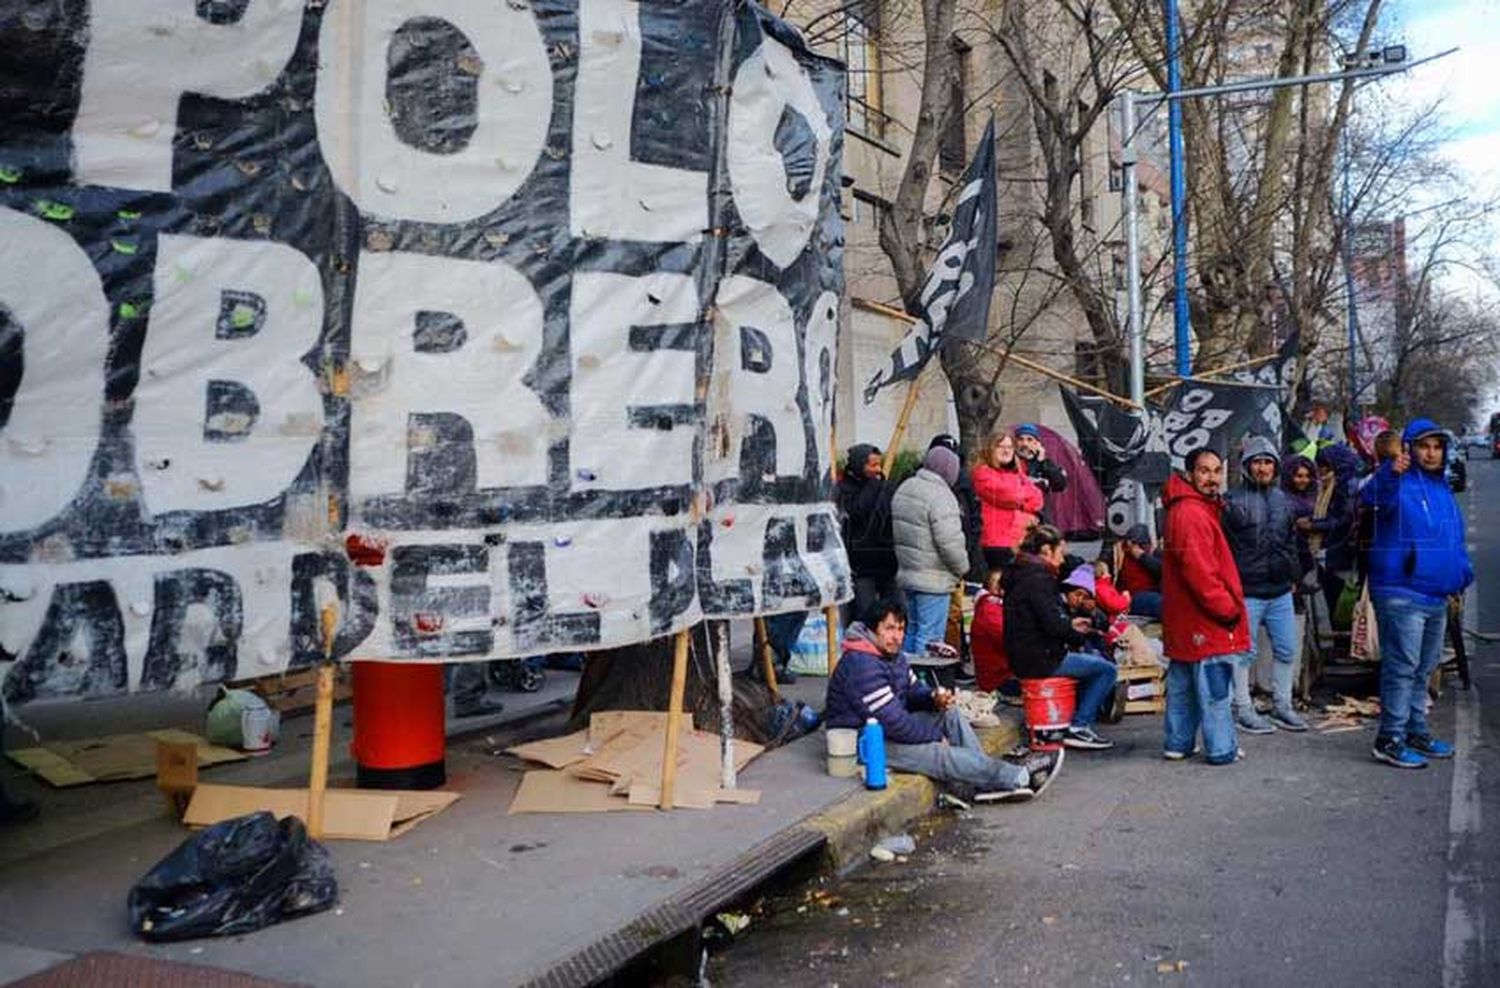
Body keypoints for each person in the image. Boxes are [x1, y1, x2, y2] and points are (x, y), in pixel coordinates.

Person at [823, 597, 1060, 801]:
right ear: (873, 630)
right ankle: (1018, 777)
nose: (897, 636)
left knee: (951, 714)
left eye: (901, 629)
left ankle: (981, 781)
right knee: (940, 754)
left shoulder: (892, 655)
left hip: (889, 729)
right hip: (865, 742)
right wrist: (935, 736)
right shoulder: (861, 664)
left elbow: (913, 691)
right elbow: (895, 723)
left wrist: (933, 698)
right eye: (889, 628)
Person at [1360, 419, 1474, 769]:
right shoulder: (1396, 484)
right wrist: (1389, 472)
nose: (1431, 452)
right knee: (1402, 667)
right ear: (1409, 448)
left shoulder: (1442, 490)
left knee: (1424, 668)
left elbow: (1452, 540)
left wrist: (1461, 574)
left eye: (1437, 446)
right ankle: (1389, 737)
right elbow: (1370, 496)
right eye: (1423, 446)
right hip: (1401, 590)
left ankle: (1415, 730)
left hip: (1436, 594)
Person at [1161, 448, 1249, 764]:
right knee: (1214, 688)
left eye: (1216, 470)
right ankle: (1221, 748)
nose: (1212, 477)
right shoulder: (1191, 513)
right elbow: (1200, 572)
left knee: (1183, 684)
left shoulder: (1188, 509)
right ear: (1189, 474)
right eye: (1204, 471)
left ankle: (1178, 743)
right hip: (1205, 618)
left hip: (1186, 618)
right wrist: (1227, 609)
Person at [1003, 525, 1117, 750]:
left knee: (1090, 661)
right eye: (1060, 553)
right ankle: (1079, 726)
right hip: (1041, 658)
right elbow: (1054, 625)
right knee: (1106, 669)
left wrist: (1069, 625)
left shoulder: (1019, 575)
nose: (1063, 560)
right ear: (1046, 550)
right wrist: (1075, 633)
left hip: (1023, 655)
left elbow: (1043, 620)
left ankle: (1074, 721)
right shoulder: (1039, 579)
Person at [1221, 438, 1308, 733]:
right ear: (1247, 466)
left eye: (1268, 461)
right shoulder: (1231, 501)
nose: (1263, 467)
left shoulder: (1283, 500)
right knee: (1244, 653)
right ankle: (1243, 709)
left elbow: (1291, 542)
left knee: (1286, 649)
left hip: (1281, 590)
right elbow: (1223, 549)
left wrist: (1294, 577)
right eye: (1257, 462)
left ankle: (1283, 706)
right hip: (1246, 591)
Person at [890, 446, 970, 657]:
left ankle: (903, 679)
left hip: (908, 572)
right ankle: (922, 685)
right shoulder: (941, 496)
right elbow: (949, 542)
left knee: (911, 632)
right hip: (933, 578)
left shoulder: (906, 487)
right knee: (930, 639)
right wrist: (962, 568)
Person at [838, 443, 898, 623]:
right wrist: (872, 486)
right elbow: (856, 511)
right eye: (872, 465)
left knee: (896, 611)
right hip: (860, 565)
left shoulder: (884, 486)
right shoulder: (843, 489)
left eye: (879, 464)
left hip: (886, 560)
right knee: (864, 614)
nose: (877, 469)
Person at [972, 430, 1044, 572]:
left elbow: (1038, 498)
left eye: (1010, 447)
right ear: (991, 449)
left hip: (1021, 540)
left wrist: (1021, 501)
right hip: (997, 543)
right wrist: (1024, 501)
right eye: (1001, 447)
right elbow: (1010, 495)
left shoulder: (1017, 473)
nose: (1006, 451)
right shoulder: (982, 473)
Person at [928, 434, 985, 583]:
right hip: (932, 563)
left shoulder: (966, 485)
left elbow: (975, 517)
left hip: (965, 554)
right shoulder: (921, 484)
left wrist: (969, 547)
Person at [1014, 423, 1068, 522]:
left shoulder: (1045, 463)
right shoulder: (1011, 464)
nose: (1025, 444)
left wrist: (1042, 462)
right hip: (1018, 517)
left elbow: (1060, 485)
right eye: (1021, 439)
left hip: (1042, 517)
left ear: (1037, 443)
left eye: (1029, 440)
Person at [1116, 523, 1163, 619]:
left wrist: (1142, 556)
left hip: (1155, 592)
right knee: (1160, 604)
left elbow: (1161, 571)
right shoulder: (1121, 554)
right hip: (1133, 596)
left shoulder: (1154, 554)